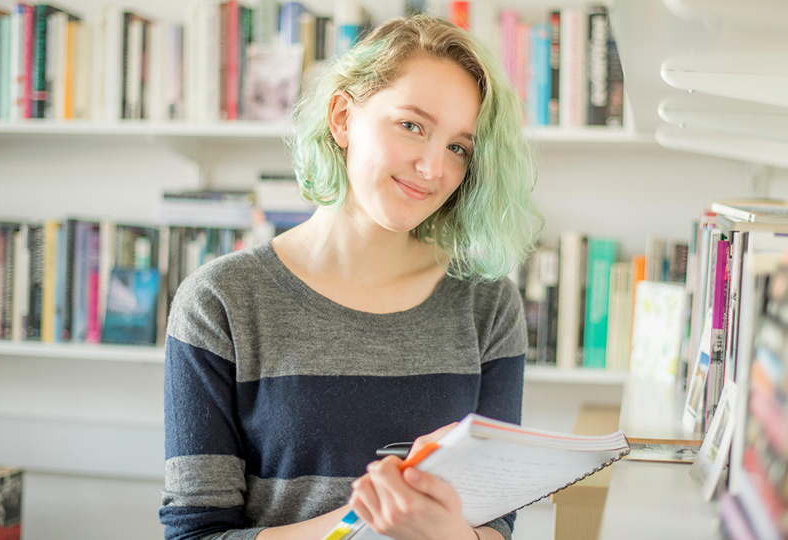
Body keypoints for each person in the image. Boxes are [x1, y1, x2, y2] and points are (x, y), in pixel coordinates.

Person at [160, 14, 542, 540]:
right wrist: (365, 525)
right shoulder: (221, 301)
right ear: (342, 117)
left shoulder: (487, 304)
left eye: (458, 147)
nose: (433, 168)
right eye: (412, 125)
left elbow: (495, 523)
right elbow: (194, 534)